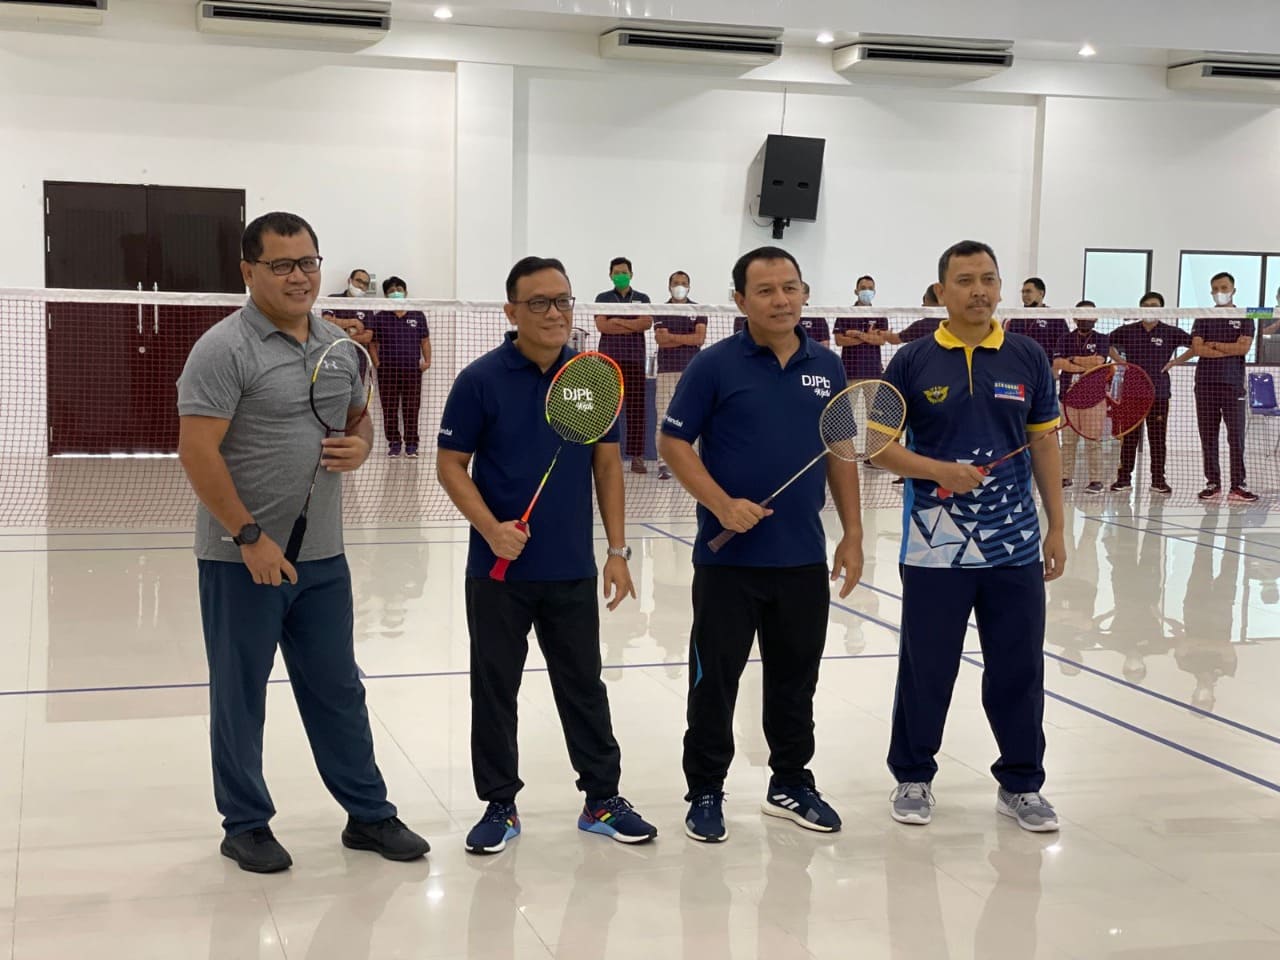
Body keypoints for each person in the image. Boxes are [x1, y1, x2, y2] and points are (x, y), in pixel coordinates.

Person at [176, 212, 429, 874]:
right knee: (240, 695)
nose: (299, 277)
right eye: (282, 265)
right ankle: (245, 824)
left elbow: (359, 420)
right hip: (241, 559)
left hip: (322, 557)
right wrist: (249, 537)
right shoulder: (223, 349)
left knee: (338, 688)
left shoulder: (338, 346)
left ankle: (368, 814)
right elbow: (197, 451)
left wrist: (362, 446)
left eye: (308, 262)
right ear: (248, 271)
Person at [437, 255, 657, 856]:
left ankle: (602, 799)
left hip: (570, 568)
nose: (555, 313)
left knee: (584, 685)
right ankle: (499, 804)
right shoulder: (480, 380)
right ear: (511, 311)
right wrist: (491, 529)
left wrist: (617, 550)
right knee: (494, 689)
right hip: (497, 571)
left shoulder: (592, 378)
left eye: (562, 300)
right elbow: (450, 465)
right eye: (539, 302)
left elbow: (607, 466)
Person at [658, 246, 864, 843]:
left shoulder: (828, 366)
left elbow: (841, 452)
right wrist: (721, 504)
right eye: (766, 290)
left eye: (790, 288)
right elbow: (673, 443)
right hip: (728, 561)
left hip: (801, 558)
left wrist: (852, 534)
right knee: (714, 682)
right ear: (740, 300)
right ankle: (705, 790)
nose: (781, 300)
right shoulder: (714, 365)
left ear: (805, 294)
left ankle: (791, 783)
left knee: (796, 680)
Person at [871, 240, 1065, 834]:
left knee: (1018, 667)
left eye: (988, 279)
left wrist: (1057, 526)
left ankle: (1022, 783)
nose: (979, 290)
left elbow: (1044, 444)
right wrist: (938, 471)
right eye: (965, 280)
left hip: (1015, 544)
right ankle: (913, 776)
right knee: (926, 667)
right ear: (941, 292)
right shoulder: (911, 361)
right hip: (935, 544)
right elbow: (878, 448)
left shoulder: (1028, 357)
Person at [1168, 272, 1258, 501]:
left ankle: (1237, 485)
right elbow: (1198, 348)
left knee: (1236, 437)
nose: (1220, 292)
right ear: (1211, 292)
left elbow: (1243, 348)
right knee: (1208, 437)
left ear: (1233, 290)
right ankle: (1213, 483)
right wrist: (1227, 348)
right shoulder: (1204, 317)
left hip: (1233, 386)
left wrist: (1215, 345)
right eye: (1216, 289)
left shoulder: (1246, 316)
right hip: (1205, 385)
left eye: (1224, 288)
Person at [1107, 291, 1192, 494]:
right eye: (1146, 306)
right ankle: (1124, 479)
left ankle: (1158, 480)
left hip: (1159, 394)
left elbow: (1195, 346)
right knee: (1130, 438)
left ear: (1161, 309)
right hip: (1132, 393)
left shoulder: (1170, 332)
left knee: (1157, 439)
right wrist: (1120, 361)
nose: (1149, 309)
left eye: (1154, 305)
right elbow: (1105, 343)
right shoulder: (1128, 331)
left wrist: (1175, 362)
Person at [594, 257, 653, 474]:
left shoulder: (642, 298)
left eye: (624, 272)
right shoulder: (602, 298)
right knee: (606, 409)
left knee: (636, 410)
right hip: (608, 361)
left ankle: (637, 457)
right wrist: (631, 324)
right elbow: (602, 326)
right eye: (617, 272)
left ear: (631, 274)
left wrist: (617, 321)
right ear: (610, 275)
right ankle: (604, 455)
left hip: (634, 360)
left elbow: (646, 323)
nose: (621, 276)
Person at [367, 276, 431, 458]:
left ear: (405, 292)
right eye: (391, 291)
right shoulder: (380, 318)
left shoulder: (417, 315)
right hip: (387, 373)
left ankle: (412, 445)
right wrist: (378, 364)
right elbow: (373, 344)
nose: (396, 293)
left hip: (412, 372)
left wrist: (427, 361)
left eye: (399, 290)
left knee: (412, 408)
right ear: (386, 295)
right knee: (389, 409)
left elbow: (425, 341)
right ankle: (394, 444)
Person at [652, 271, 707, 481]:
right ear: (669, 286)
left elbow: (699, 339)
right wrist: (686, 338)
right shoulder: (661, 309)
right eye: (676, 283)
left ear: (689, 287)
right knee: (663, 417)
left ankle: (690, 463)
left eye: (684, 283)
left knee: (693, 417)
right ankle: (663, 464)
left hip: (693, 372)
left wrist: (672, 337)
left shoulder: (698, 309)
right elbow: (661, 341)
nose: (680, 286)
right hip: (667, 370)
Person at [1052, 300, 1111, 494]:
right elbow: (1058, 363)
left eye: (1089, 315)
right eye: (1081, 315)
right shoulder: (1064, 339)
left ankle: (1096, 480)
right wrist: (1082, 366)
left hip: (1094, 399)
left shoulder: (1102, 339)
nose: (1085, 319)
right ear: (1075, 317)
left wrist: (1072, 359)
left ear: (1095, 318)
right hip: (1068, 398)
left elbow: (1099, 361)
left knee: (1093, 441)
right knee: (1068, 442)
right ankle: (1065, 477)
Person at [833, 275, 888, 383]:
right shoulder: (845, 314)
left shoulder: (880, 314)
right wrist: (869, 337)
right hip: (850, 371)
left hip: (873, 372)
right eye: (863, 288)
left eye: (870, 288)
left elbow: (881, 340)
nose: (867, 291)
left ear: (874, 292)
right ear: (856, 291)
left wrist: (858, 334)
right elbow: (839, 341)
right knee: (849, 396)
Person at [1004, 278, 1068, 364]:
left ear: (1041, 293)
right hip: (1021, 366)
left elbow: (1064, 344)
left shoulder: (1054, 317)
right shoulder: (1016, 318)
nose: (1024, 295)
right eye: (1023, 292)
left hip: (1045, 366)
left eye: (1028, 291)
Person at [321, 268, 376, 351]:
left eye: (365, 284)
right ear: (349, 281)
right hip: (335, 351)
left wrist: (341, 335)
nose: (361, 286)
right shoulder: (333, 299)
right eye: (358, 281)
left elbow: (367, 337)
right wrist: (354, 322)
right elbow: (327, 322)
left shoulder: (367, 307)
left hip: (358, 354)